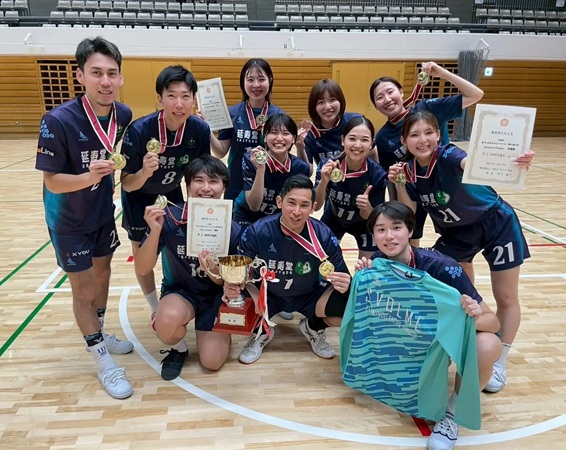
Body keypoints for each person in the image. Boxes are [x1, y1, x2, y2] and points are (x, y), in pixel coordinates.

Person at [389, 111, 535, 395]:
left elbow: (471, 163)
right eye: (414, 135)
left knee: (506, 296)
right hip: (456, 234)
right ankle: (464, 341)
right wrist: (399, 184)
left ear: (438, 134)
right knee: (458, 293)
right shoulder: (408, 171)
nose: (423, 140)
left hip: (496, 223)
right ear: (404, 141)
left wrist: (510, 163)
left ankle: (499, 358)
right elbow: (409, 214)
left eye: (428, 132)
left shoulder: (448, 155)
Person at [354, 201, 501, 450]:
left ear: (410, 230)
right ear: (373, 235)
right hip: (418, 337)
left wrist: (473, 314)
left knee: (487, 345)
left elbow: (493, 322)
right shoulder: (378, 263)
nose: (389, 236)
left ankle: (453, 414)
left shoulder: (444, 267)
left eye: (396, 227)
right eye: (381, 229)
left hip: (448, 337)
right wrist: (360, 279)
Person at [35, 37, 134, 399]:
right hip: (68, 220)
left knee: (103, 274)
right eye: (96, 73)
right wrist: (89, 176)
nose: (105, 81)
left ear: (120, 78)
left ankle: (100, 331)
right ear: (80, 76)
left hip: (102, 212)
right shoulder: (57, 120)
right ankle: (103, 361)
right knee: (84, 288)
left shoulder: (123, 115)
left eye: (111, 73)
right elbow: (52, 181)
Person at [224, 174, 351, 364]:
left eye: (304, 205)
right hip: (268, 296)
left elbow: (343, 275)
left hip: (310, 295)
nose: (297, 211)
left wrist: (347, 283)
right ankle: (261, 329)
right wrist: (233, 285)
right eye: (291, 203)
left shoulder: (323, 235)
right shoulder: (257, 231)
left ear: (313, 207)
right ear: (279, 202)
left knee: (349, 305)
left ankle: (313, 326)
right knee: (232, 295)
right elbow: (242, 271)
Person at [134, 155, 240, 380]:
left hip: (215, 296)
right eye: (199, 180)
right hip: (181, 293)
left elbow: (229, 282)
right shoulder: (169, 218)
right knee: (166, 323)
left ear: (224, 187)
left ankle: (219, 330)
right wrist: (154, 231)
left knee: (212, 362)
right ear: (188, 185)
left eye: (214, 181)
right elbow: (143, 268)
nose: (206, 188)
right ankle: (179, 348)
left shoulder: (232, 227)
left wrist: (214, 272)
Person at [120, 65, 211, 322]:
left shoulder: (199, 130)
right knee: (143, 258)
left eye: (185, 96)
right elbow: (126, 183)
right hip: (139, 198)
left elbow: (200, 174)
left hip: (173, 195)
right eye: (171, 95)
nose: (179, 104)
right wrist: (144, 173)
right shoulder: (139, 131)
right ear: (160, 98)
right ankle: (154, 308)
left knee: (175, 249)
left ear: (194, 100)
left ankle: (177, 293)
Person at [369, 61, 484, 246]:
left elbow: (475, 95)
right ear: (376, 106)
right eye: (380, 97)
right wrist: (394, 207)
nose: (387, 99)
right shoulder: (383, 137)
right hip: (415, 193)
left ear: (401, 92)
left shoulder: (428, 109)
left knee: (460, 245)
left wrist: (442, 73)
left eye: (390, 92)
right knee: (410, 242)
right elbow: (391, 179)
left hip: (449, 190)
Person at [209, 58, 284, 200]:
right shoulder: (231, 113)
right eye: (250, 80)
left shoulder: (279, 116)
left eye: (261, 79)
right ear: (243, 82)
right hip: (236, 185)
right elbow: (220, 152)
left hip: (269, 185)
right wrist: (207, 129)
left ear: (270, 80)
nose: (256, 85)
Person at [314, 116, 387, 259]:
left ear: (371, 144)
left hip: (364, 225)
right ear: (343, 140)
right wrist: (323, 181)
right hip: (333, 218)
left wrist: (366, 207)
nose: (357, 145)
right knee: (323, 263)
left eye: (364, 140)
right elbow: (316, 206)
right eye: (352, 138)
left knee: (367, 268)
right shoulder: (327, 166)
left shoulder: (378, 175)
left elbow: (374, 217)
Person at [233, 113, 310, 229]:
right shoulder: (251, 159)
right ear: (265, 136)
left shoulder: (300, 167)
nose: (279, 138)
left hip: (278, 218)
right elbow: (254, 206)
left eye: (285, 133)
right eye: (274, 132)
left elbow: (308, 174)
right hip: (247, 216)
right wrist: (260, 169)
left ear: (294, 138)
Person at [295, 79, 363, 175]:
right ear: (314, 107)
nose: (327, 107)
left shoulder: (355, 122)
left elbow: (372, 153)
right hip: (327, 180)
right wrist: (300, 148)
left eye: (332, 100)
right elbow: (307, 173)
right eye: (321, 102)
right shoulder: (310, 134)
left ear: (340, 101)